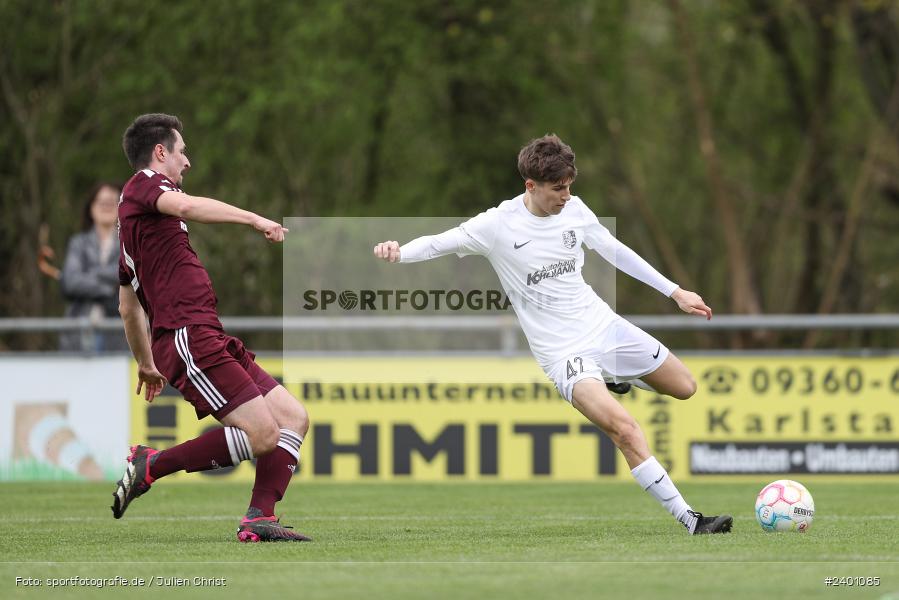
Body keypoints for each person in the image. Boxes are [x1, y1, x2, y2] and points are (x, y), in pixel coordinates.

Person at [373, 134, 732, 535]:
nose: (566, 195)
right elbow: (440, 242)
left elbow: (614, 250)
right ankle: (690, 518)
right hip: (563, 353)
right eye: (558, 188)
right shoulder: (496, 225)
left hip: (602, 325)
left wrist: (675, 291)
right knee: (625, 430)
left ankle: (615, 377)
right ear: (531, 186)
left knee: (685, 387)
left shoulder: (575, 211)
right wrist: (399, 251)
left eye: (569, 186)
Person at [112, 113, 311, 542]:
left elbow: (129, 307)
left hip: (204, 331)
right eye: (182, 152)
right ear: (160, 152)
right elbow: (187, 205)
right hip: (187, 333)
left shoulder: (136, 227)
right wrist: (255, 219)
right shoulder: (144, 185)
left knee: (293, 418)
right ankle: (151, 465)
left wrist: (145, 363)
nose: (187, 162)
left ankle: (260, 517)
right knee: (262, 434)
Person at [59, 183, 129, 352]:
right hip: (78, 337)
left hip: (120, 336)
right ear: (91, 208)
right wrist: (108, 289)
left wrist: (88, 275)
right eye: (101, 202)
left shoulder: (130, 244)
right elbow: (71, 282)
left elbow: (128, 275)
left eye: (111, 202)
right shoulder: (78, 243)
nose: (106, 207)